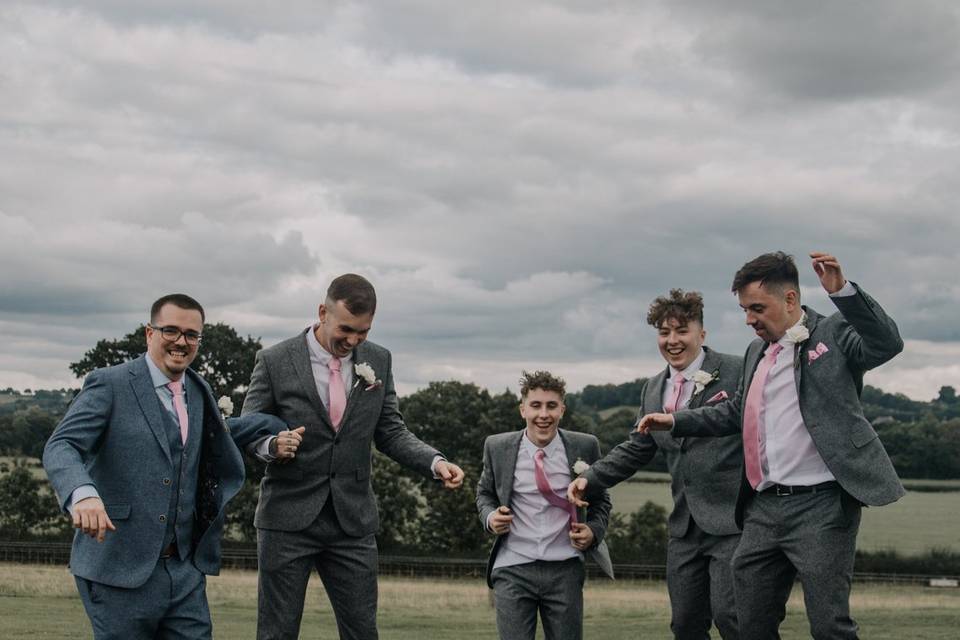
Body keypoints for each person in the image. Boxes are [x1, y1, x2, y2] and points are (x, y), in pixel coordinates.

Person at [637, 252, 905, 640]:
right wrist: (676, 420)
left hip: (822, 506)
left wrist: (843, 293)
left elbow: (886, 343)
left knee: (830, 625)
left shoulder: (833, 333)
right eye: (745, 309)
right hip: (762, 507)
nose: (749, 319)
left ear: (791, 300)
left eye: (757, 308)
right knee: (748, 625)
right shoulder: (754, 352)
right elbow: (734, 411)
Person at [43, 293, 297, 640]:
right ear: (150, 333)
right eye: (171, 331)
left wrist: (270, 439)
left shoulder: (198, 388)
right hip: (119, 568)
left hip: (185, 572)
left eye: (192, 334)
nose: (181, 341)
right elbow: (62, 445)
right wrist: (82, 494)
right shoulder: (111, 383)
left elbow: (221, 435)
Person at [242, 273, 465, 640]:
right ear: (322, 312)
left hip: (353, 522)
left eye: (363, 332)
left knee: (363, 631)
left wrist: (435, 462)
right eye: (346, 329)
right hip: (287, 519)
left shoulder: (379, 359)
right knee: (276, 632)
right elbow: (250, 430)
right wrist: (271, 447)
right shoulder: (274, 360)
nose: (353, 340)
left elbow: (391, 431)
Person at [568, 289, 743, 639]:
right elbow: (636, 448)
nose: (672, 340)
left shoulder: (737, 370)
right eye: (664, 333)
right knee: (685, 625)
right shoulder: (652, 388)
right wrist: (589, 479)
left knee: (733, 619)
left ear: (702, 334)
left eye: (682, 331)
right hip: (684, 528)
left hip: (735, 522)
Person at [476, 370, 614, 640]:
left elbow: (601, 501)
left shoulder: (585, 446)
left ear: (562, 409)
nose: (543, 414)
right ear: (522, 409)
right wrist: (491, 517)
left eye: (551, 406)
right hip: (512, 567)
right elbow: (483, 494)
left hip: (565, 568)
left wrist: (594, 531)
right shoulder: (497, 446)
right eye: (536, 405)